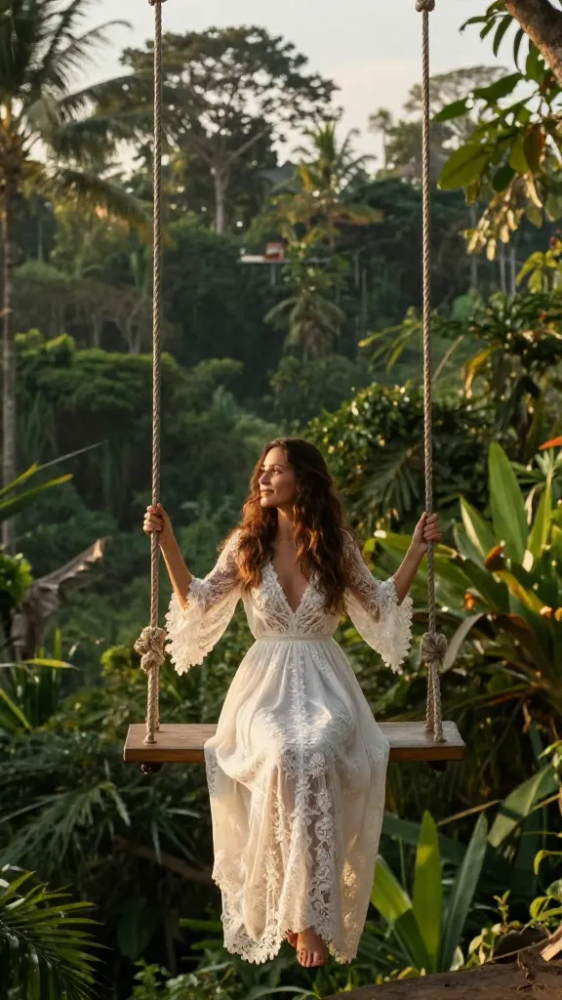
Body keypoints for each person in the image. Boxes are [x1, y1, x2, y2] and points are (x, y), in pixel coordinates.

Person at [142, 437, 441, 969]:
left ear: (303, 479)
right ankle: (298, 914)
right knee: (284, 755)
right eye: (262, 470)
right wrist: (166, 542)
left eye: (275, 471)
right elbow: (197, 601)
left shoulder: (335, 545)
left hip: (328, 682)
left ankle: (310, 916)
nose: (263, 478)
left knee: (319, 750)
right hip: (263, 687)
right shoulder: (247, 544)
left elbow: (379, 604)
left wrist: (417, 551)